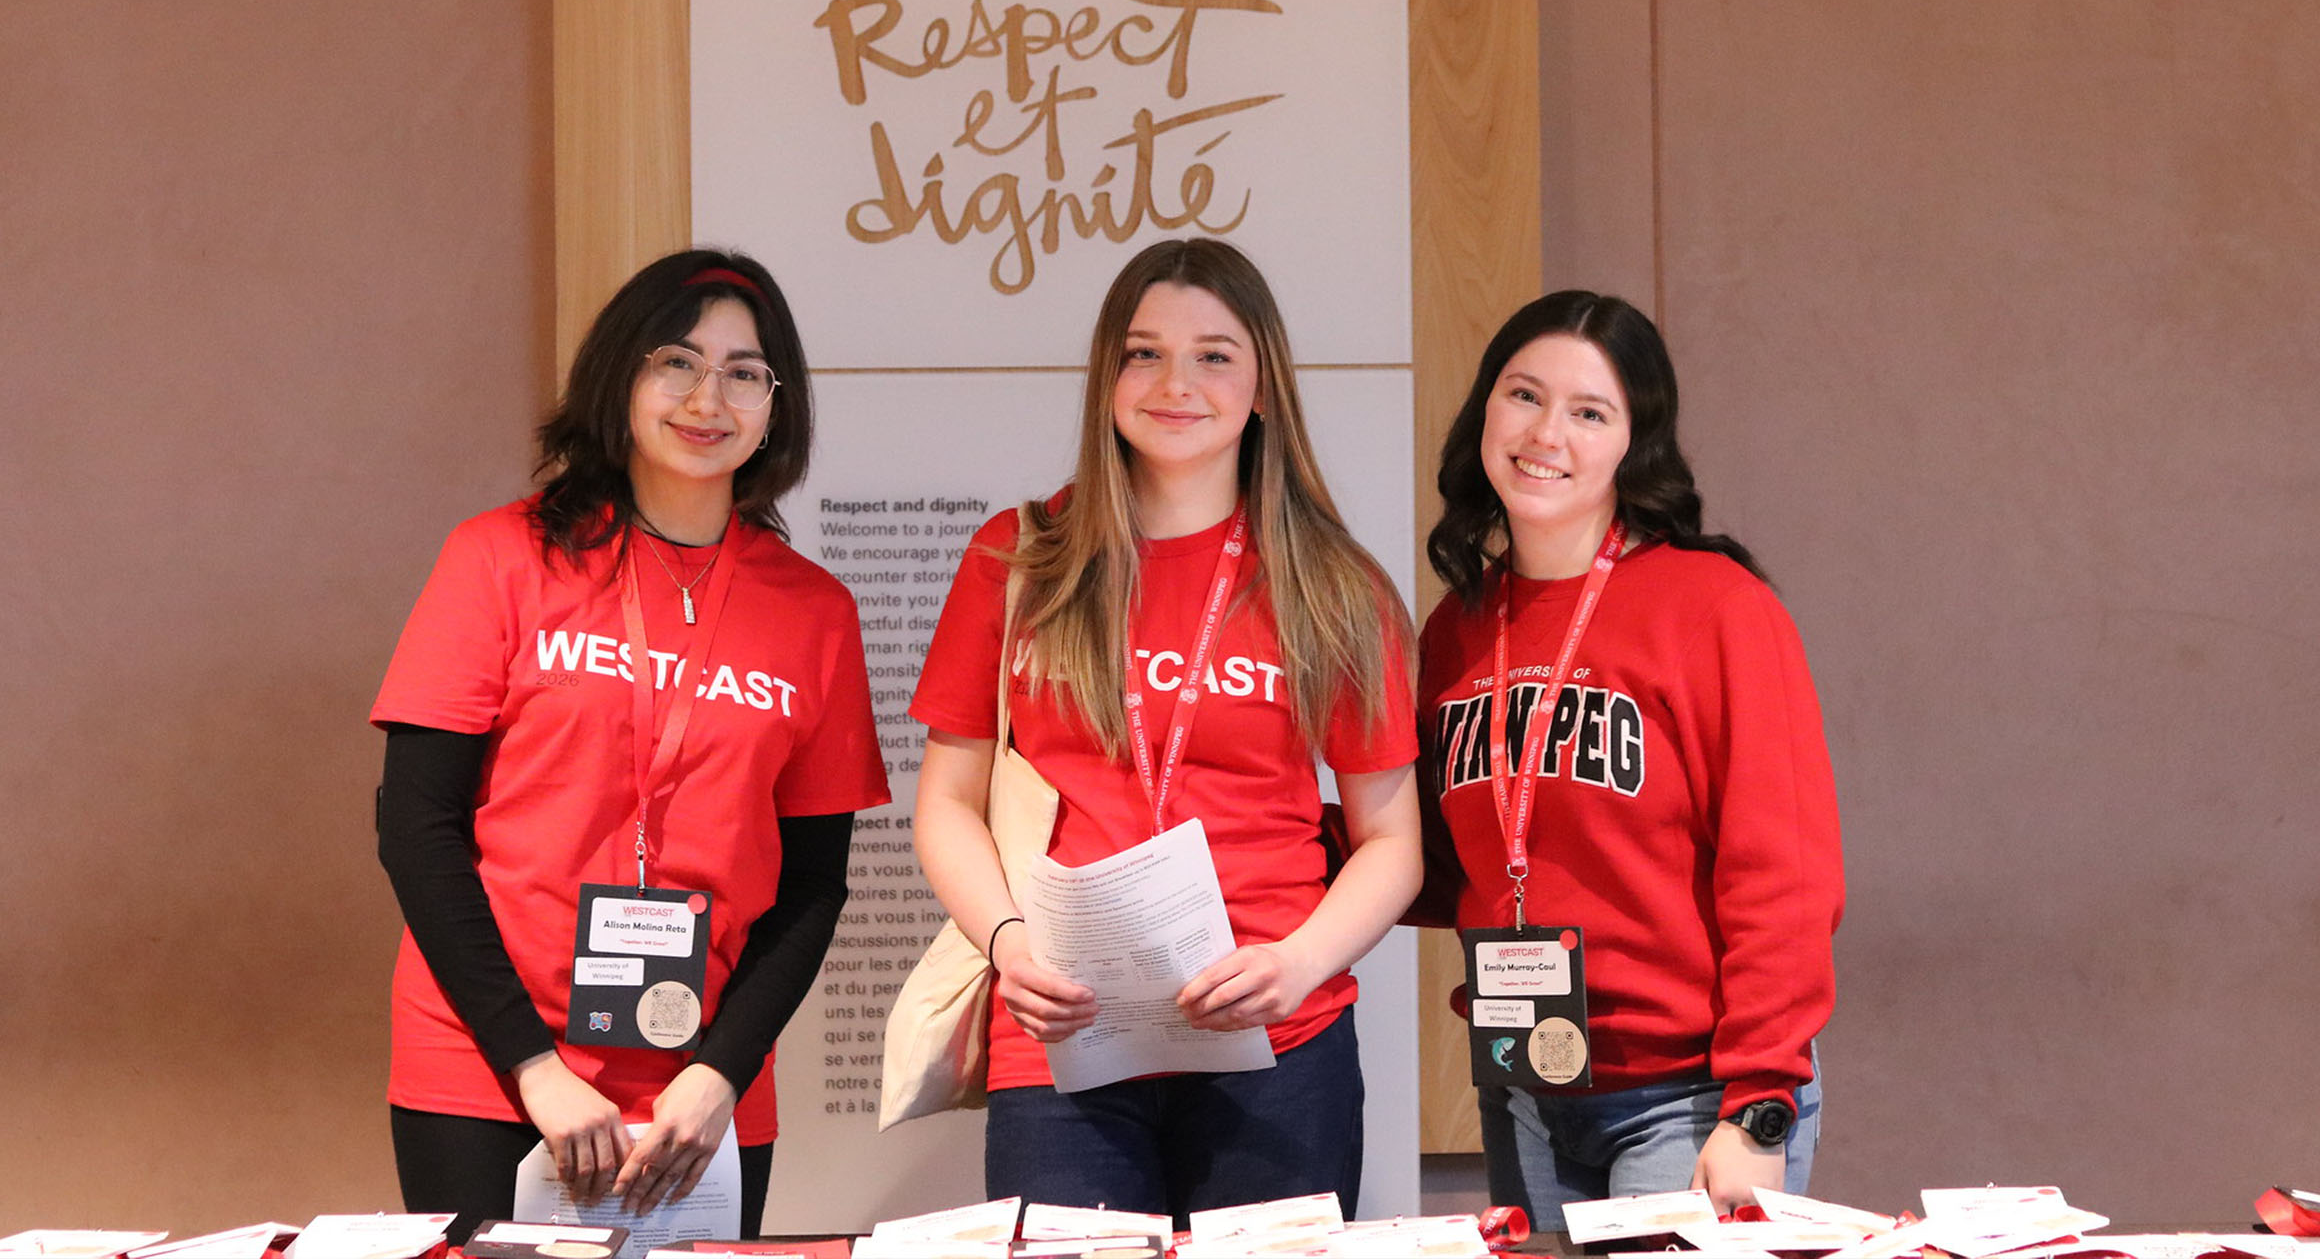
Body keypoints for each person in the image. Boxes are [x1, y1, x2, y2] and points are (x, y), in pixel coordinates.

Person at [371, 249, 889, 1242]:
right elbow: (416, 826)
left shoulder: (814, 611)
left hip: (699, 1090)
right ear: (621, 377)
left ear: (776, 403)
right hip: (485, 1064)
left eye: (746, 371)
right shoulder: (501, 558)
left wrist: (719, 1073)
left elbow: (813, 883)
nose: (710, 397)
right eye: (677, 361)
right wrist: (535, 1068)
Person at [909, 238, 1422, 1224]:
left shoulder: (1331, 585)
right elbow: (946, 804)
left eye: (1214, 355)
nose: (1175, 381)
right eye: (1143, 353)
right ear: (1107, 375)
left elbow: (1393, 842)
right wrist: (1009, 944)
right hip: (1065, 1032)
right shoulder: (1020, 556)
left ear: (1262, 382)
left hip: (1276, 1039)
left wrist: (1300, 961)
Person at [1415, 292, 1843, 1227]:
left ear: (1633, 443)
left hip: (1688, 1102)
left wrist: (1761, 1105)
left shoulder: (1716, 608)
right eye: (1524, 395)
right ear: (1485, 409)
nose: (1547, 433)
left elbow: (1785, 873)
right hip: (1523, 1086)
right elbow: (1440, 862)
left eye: (1589, 412)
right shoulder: (1457, 628)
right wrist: (1278, 852)